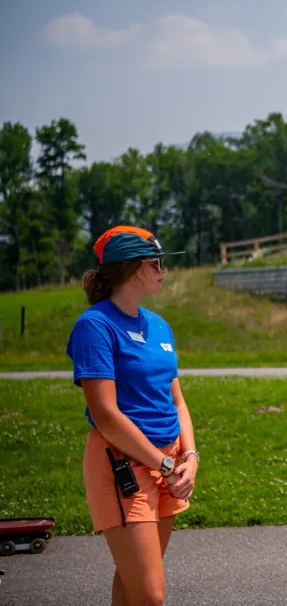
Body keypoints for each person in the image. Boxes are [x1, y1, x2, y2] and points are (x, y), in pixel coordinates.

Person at [66, 226, 199, 606]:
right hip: (124, 465)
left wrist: (190, 456)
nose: (163, 270)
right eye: (156, 263)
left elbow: (177, 401)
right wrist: (164, 463)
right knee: (150, 594)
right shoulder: (94, 326)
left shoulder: (159, 325)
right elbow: (105, 415)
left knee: (133, 585)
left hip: (169, 462)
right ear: (131, 268)